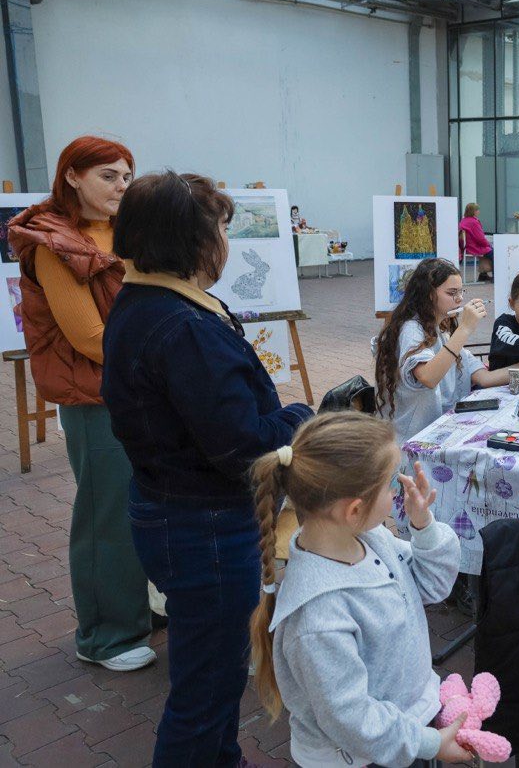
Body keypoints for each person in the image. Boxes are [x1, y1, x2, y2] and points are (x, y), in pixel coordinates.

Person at [103, 171, 314, 764]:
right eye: (221, 230)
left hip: (176, 512)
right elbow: (242, 448)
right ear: (191, 242)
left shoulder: (146, 301)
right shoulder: (182, 326)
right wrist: (302, 415)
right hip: (206, 529)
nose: (226, 243)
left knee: (212, 680)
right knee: (206, 692)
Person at [248, 413, 471, 767]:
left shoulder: (369, 539)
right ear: (354, 509)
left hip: (404, 730)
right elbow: (351, 719)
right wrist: (428, 744)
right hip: (368, 755)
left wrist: (423, 526)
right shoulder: (318, 617)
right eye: (391, 484)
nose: (398, 490)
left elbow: (431, 585)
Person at [7, 137, 154, 673]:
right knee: (107, 513)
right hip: (93, 397)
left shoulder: (124, 230)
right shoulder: (53, 242)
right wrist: (167, 355)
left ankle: (137, 606)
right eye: (108, 176)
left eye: (126, 177)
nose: (121, 187)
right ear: (72, 176)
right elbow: (91, 338)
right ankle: (105, 636)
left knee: (146, 501)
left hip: (138, 388)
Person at [373, 259, 519, 529]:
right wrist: (465, 329)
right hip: (410, 447)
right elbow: (428, 377)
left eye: (461, 292)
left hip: (434, 438)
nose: (459, 299)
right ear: (428, 293)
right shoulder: (412, 329)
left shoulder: (440, 329)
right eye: (451, 293)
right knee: (477, 476)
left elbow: (483, 377)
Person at [458, 202, 493, 282]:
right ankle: (496, 277)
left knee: (488, 251)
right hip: (474, 247)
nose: (479, 212)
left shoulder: (463, 221)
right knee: (495, 254)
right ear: (473, 211)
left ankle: (483, 276)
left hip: (466, 247)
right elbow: (480, 239)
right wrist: (489, 245)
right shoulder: (474, 222)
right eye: (477, 210)